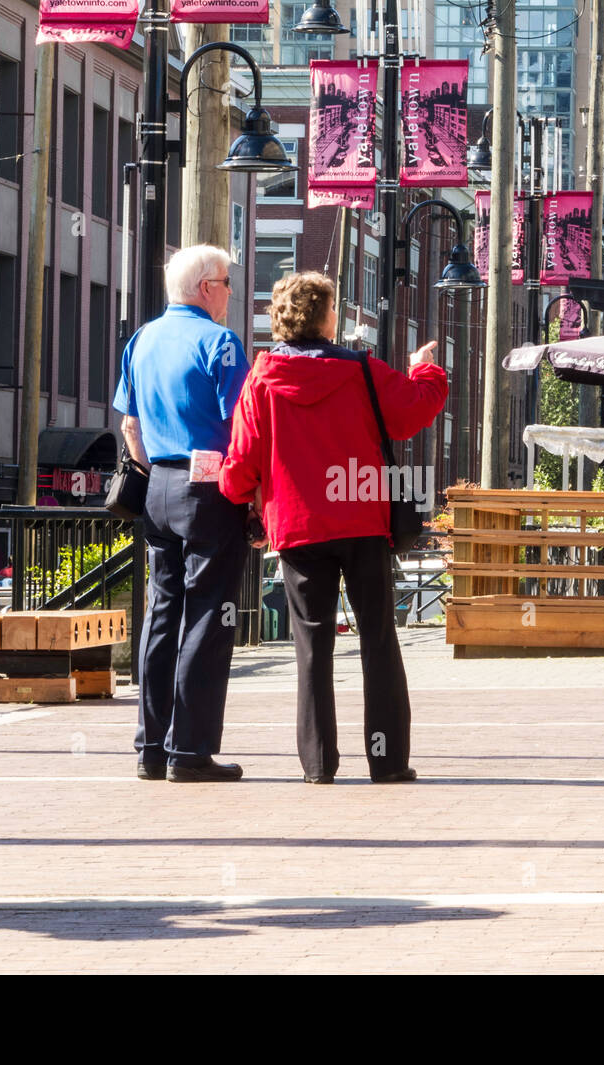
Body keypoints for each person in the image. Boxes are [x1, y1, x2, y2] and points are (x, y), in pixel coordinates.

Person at [219, 271, 447, 784]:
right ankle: (387, 761)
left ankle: (319, 763)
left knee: (312, 645)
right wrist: (425, 369)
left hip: (298, 526)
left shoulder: (262, 379)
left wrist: (239, 498)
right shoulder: (360, 370)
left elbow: (241, 463)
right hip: (361, 516)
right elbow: (414, 411)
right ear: (325, 318)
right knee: (378, 639)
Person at [113, 244, 250, 783]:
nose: (230, 292)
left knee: (162, 613)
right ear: (206, 288)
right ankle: (189, 751)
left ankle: (151, 747)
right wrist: (254, 495)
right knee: (209, 616)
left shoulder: (142, 339)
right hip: (209, 488)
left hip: (157, 487)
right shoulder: (220, 342)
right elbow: (242, 428)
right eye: (227, 282)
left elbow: (129, 426)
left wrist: (155, 472)